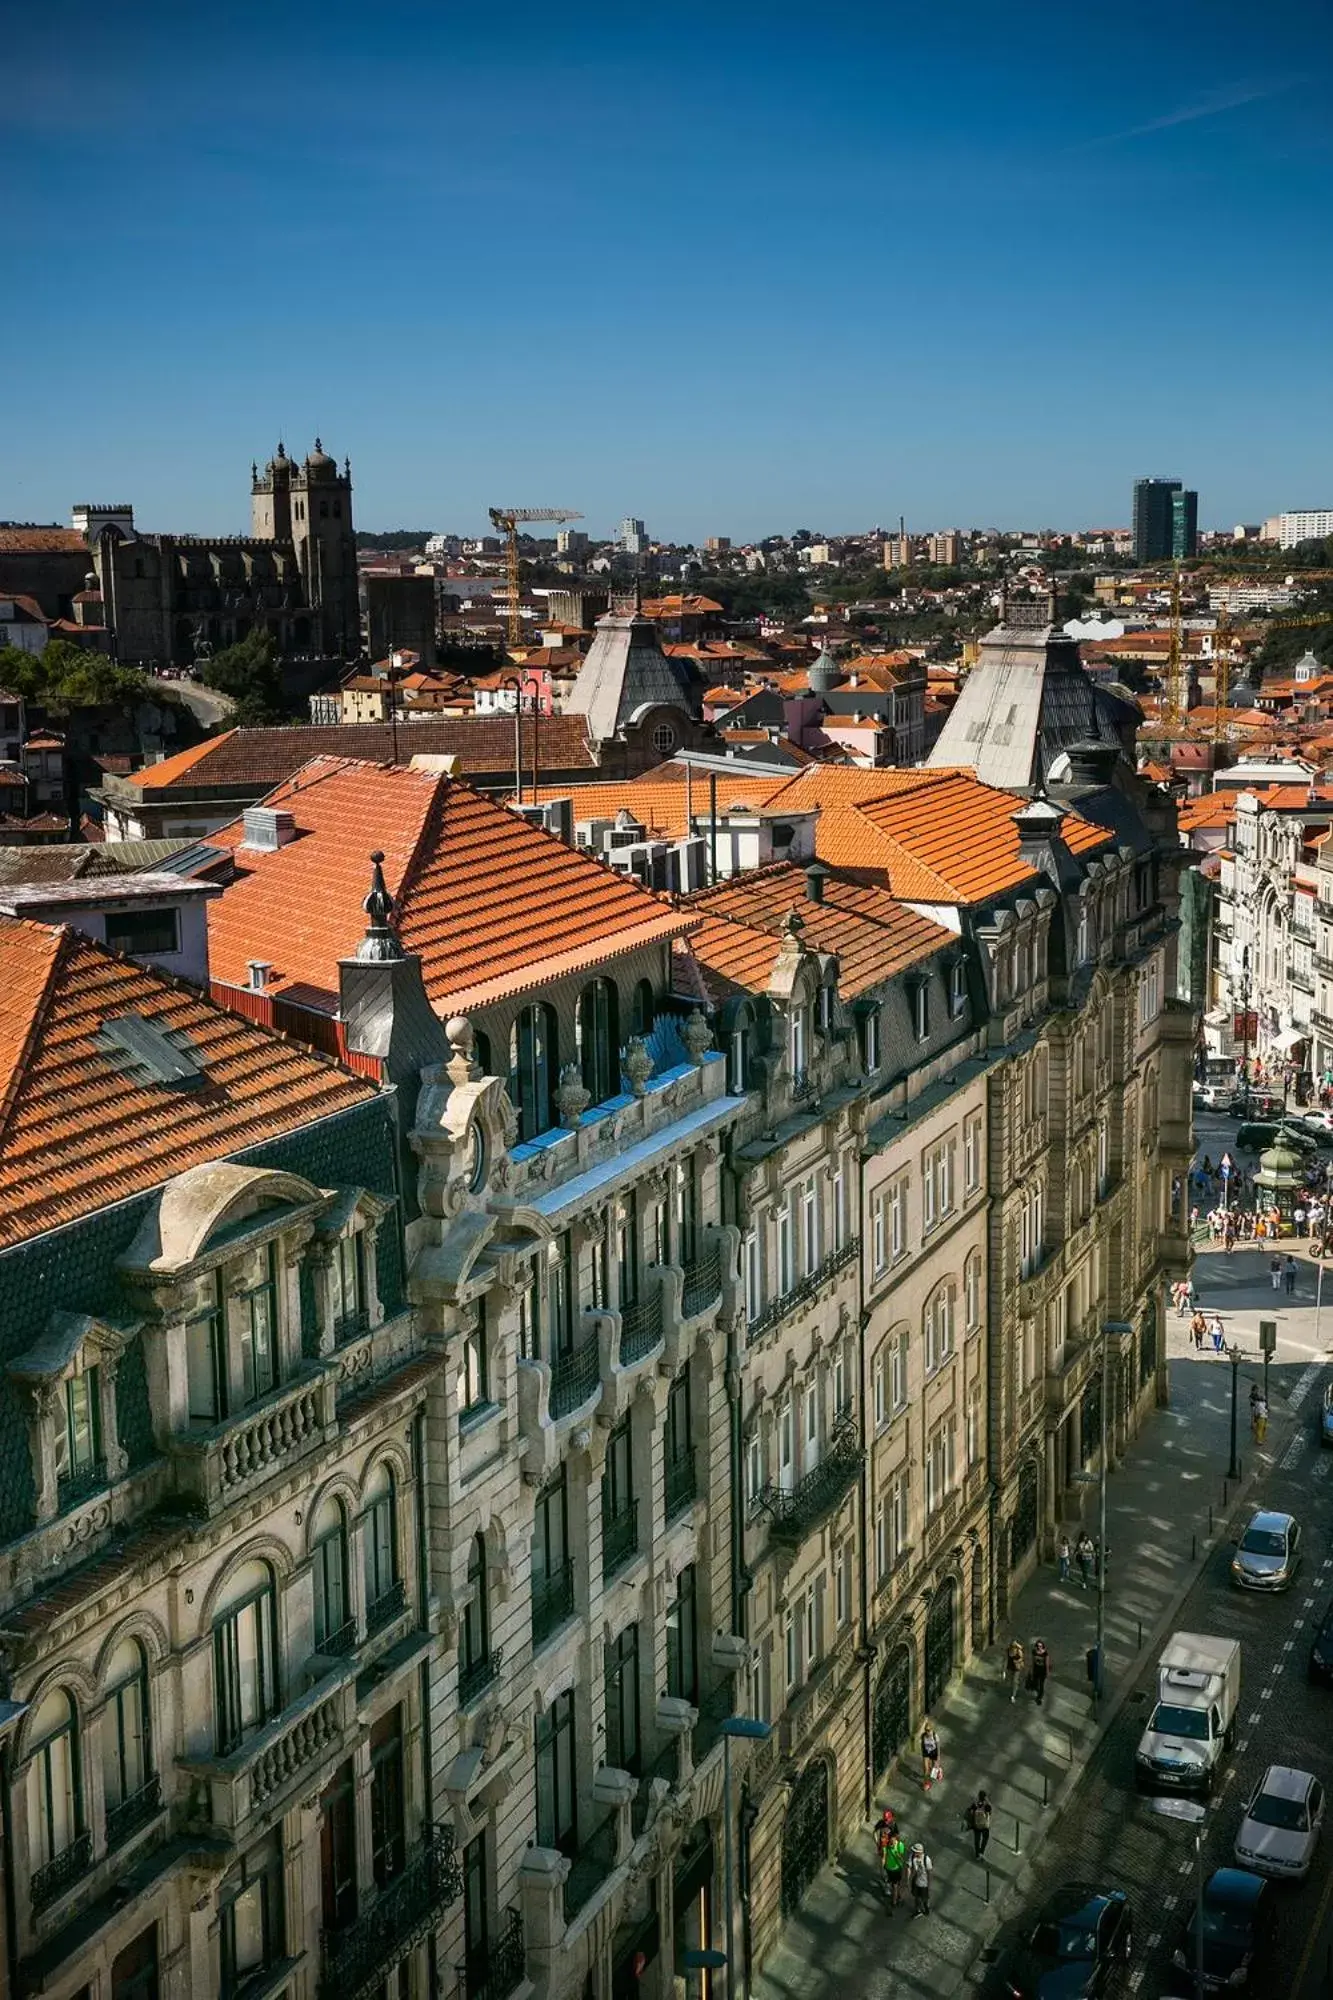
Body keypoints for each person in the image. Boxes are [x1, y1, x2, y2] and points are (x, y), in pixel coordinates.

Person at [881, 1825, 907, 1908]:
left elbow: (901, 1857)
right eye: (890, 1839)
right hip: (889, 1868)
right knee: (894, 1884)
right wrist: (883, 1867)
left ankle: (894, 1901)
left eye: (892, 1839)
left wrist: (896, 1854)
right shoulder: (886, 1846)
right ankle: (897, 1897)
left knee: (895, 1885)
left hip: (897, 1868)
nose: (891, 1841)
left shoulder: (900, 1845)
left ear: (895, 1838)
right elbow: (884, 1856)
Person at [907, 1841, 933, 1917]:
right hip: (916, 1881)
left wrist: (929, 1884)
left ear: (920, 1852)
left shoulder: (926, 1860)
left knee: (924, 1898)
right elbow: (909, 1867)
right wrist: (908, 1879)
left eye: (916, 1852)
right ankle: (918, 1910)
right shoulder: (912, 1857)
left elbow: (929, 1873)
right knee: (916, 1897)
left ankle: (926, 1907)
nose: (914, 1853)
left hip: (924, 1883)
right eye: (914, 1851)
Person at [965, 1790, 992, 1859]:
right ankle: (981, 1851)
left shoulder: (975, 1804)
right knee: (985, 1838)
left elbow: (969, 1811)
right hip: (985, 1826)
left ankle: (977, 1854)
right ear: (985, 1797)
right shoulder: (986, 1806)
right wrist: (987, 1801)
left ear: (979, 1797)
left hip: (976, 1825)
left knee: (977, 1840)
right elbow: (990, 1812)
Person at [920, 1719, 940, 1790]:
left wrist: (938, 1757)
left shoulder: (935, 1736)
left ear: (931, 1729)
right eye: (925, 1730)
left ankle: (938, 1770)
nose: (927, 1732)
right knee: (926, 1769)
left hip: (934, 1752)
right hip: (926, 1753)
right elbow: (922, 1745)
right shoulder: (923, 1736)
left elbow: (938, 1747)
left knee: (934, 1770)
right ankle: (926, 1783)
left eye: (928, 1730)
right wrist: (923, 1755)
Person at [1031, 1638, 1051, 1706]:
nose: (1039, 1647)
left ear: (1042, 1646)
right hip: (1036, 1670)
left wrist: (1047, 1672)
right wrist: (1031, 1668)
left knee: (1041, 1684)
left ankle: (1039, 1697)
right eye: (1038, 1646)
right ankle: (1038, 1691)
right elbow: (1033, 1660)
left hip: (1042, 1671)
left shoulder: (1045, 1653)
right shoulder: (1034, 1652)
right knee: (1035, 1683)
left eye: (1040, 1646)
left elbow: (1047, 1663)